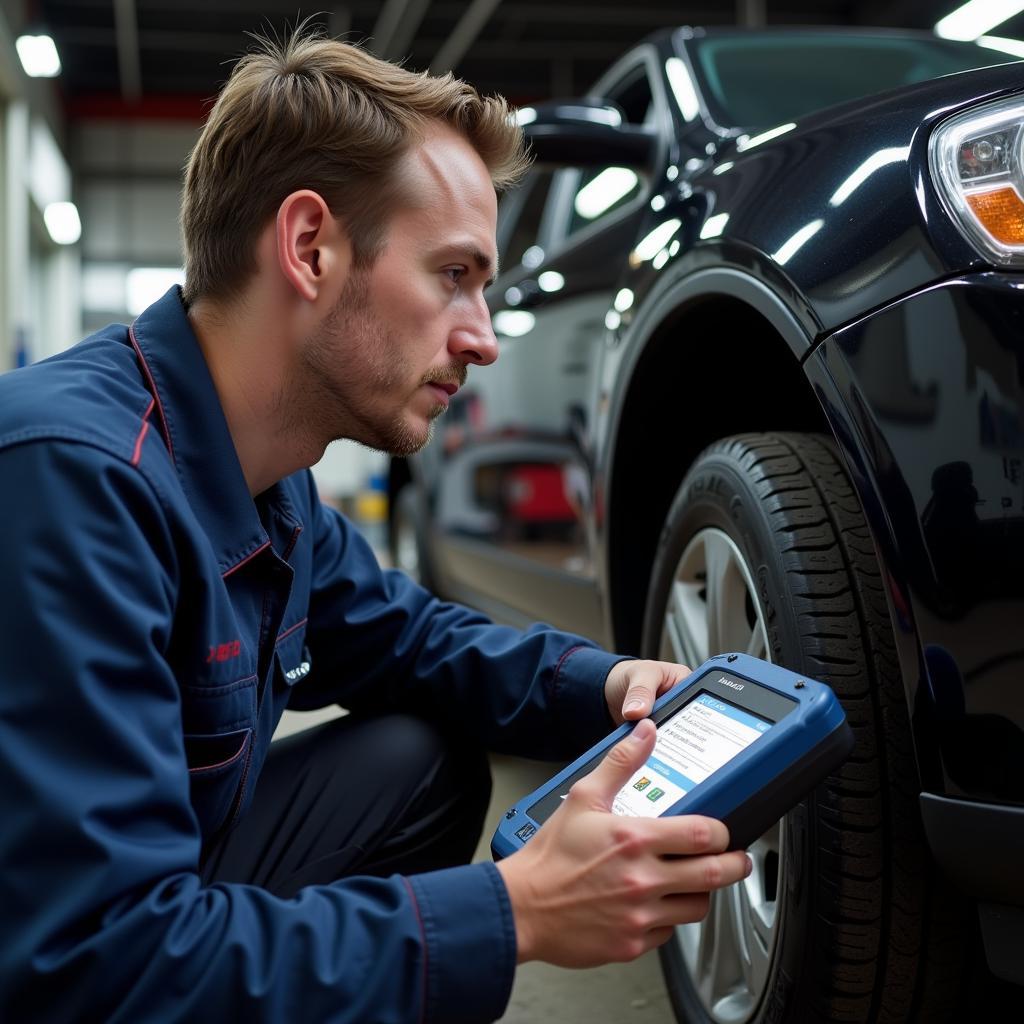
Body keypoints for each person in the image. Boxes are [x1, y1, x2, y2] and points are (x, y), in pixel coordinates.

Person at [0, 28, 751, 1023]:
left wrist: (609, 684)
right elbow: (87, 965)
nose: (482, 336)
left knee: (419, 762)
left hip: (136, 890)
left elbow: (408, 639)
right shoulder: (75, 481)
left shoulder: (270, 483)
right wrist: (510, 913)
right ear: (310, 248)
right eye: (453, 275)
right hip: (61, 958)